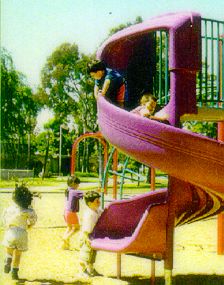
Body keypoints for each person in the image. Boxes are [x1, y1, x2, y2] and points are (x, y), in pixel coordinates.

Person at [2, 183, 37, 280]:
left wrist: (7, 225)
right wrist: (29, 225)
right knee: (18, 255)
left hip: (11, 232)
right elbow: (33, 219)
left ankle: (8, 259)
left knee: (9, 250)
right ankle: (14, 272)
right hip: (22, 233)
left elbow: (4, 218)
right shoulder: (28, 210)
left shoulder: (10, 208)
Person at [79, 191, 102, 277]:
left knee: (92, 253)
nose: (99, 202)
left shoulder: (97, 210)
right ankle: (82, 271)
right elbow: (85, 228)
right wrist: (86, 238)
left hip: (93, 235)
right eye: (97, 201)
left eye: (99, 200)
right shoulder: (89, 214)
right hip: (87, 236)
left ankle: (91, 269)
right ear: (89, 203)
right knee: (85, 254)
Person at [62, 176, 84, 250]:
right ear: (73, 183)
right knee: (77, 228)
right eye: (77, 184)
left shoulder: (67, 190)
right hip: (71, 212)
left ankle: (64, 245)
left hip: (65, 212)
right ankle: (66, 237)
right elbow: (86, 194)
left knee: (69, 228)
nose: (78, 186)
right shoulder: (74, 191)